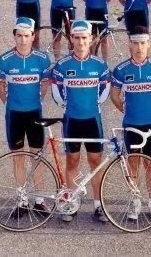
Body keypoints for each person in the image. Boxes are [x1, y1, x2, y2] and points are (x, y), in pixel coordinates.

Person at [51, 20, 111, 222]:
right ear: (71, 39)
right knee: (72, 161)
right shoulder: (62, 66)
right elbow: (56, 90)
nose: (80, 42)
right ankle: (71, 202)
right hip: (71, 120)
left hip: (93, 119)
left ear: (91, 38)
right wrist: (66, 105)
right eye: (76, 38)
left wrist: (94, 104)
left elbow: (105, 89)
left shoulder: (100, 65)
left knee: (95, 162)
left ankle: (98, 205)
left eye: (84, 38)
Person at [110, 25, 151, 220]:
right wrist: (126, 110)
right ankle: (135, 202)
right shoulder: (121, 70)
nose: (139, 47)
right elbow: (115, 96)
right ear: (129, 44)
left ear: (149, 44)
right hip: (131, 123)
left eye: (143, 43)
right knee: (133, 162)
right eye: (135, 43)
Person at [0, 17, 52, 215]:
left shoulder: (42, 59)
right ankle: (22, 200)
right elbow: (0, 85)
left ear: (33, 36)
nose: (23, 40)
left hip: (34, 113)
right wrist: (10, 103)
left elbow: (45, 85)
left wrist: (36, 101)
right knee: (18, 157)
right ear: (14, 36)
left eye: (27, 36)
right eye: (19, 36)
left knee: (36, 156)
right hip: (14, 114)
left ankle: (39, 200)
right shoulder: (5, 60)